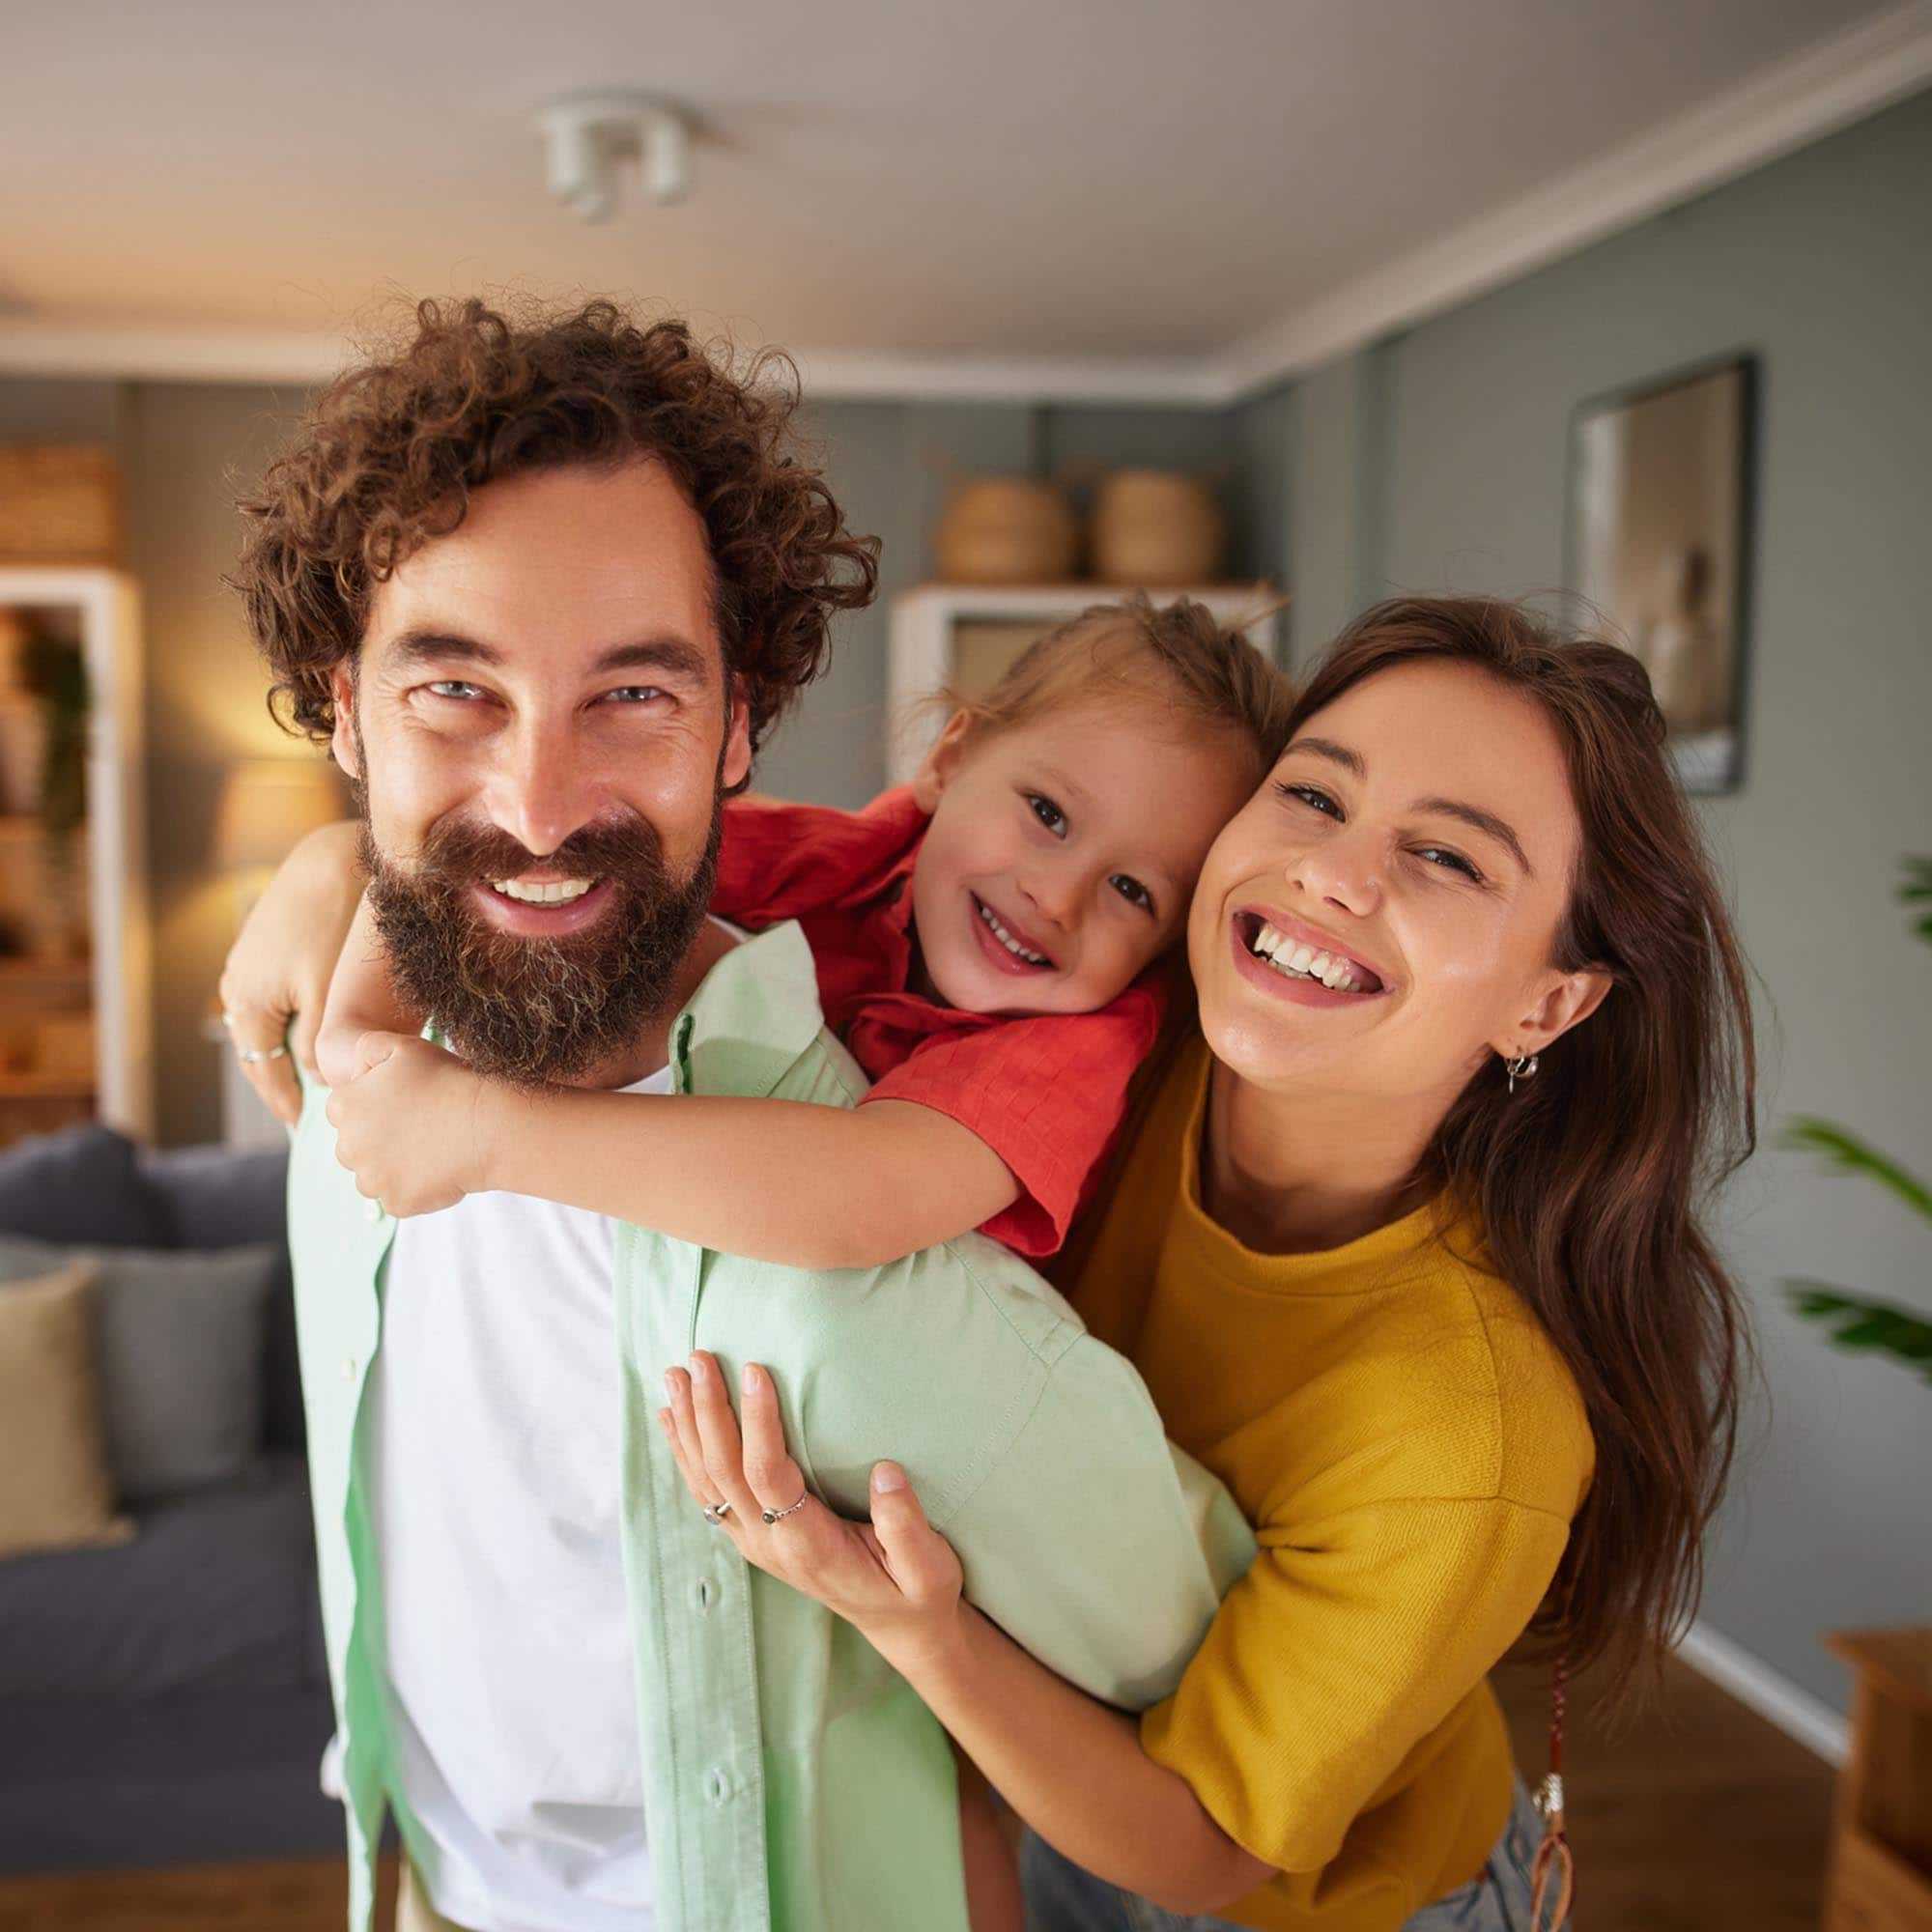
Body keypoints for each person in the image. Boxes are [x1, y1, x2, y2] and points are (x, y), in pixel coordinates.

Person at [221, 294, 1260, 1932]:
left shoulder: (879, 1299)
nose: (543, 802)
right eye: (453, 691)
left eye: (633, 695)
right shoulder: (320, 1068)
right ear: (340, 707)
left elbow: (1193, 1653)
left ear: (740, 726)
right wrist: (324, 870)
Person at [661, 596, 1757, 1932]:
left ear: (1549, 1001)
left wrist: (916, 1630)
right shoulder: (1106, 1007)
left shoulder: (1471, 1434)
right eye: (1312, 796)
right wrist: (325, 886)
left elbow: (1203, 1846)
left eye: (1448, 859)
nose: (1333, 876)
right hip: (1033, 1749)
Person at [252, 594, 1294, 1270]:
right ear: (949, 757)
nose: (1056, 898)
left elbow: (863, 1193)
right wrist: (348, 991)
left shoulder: (1082, 1041)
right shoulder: (830, 855)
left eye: (1132, 890)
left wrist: (488, 1134)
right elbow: (543, 867)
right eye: (1047, 814)